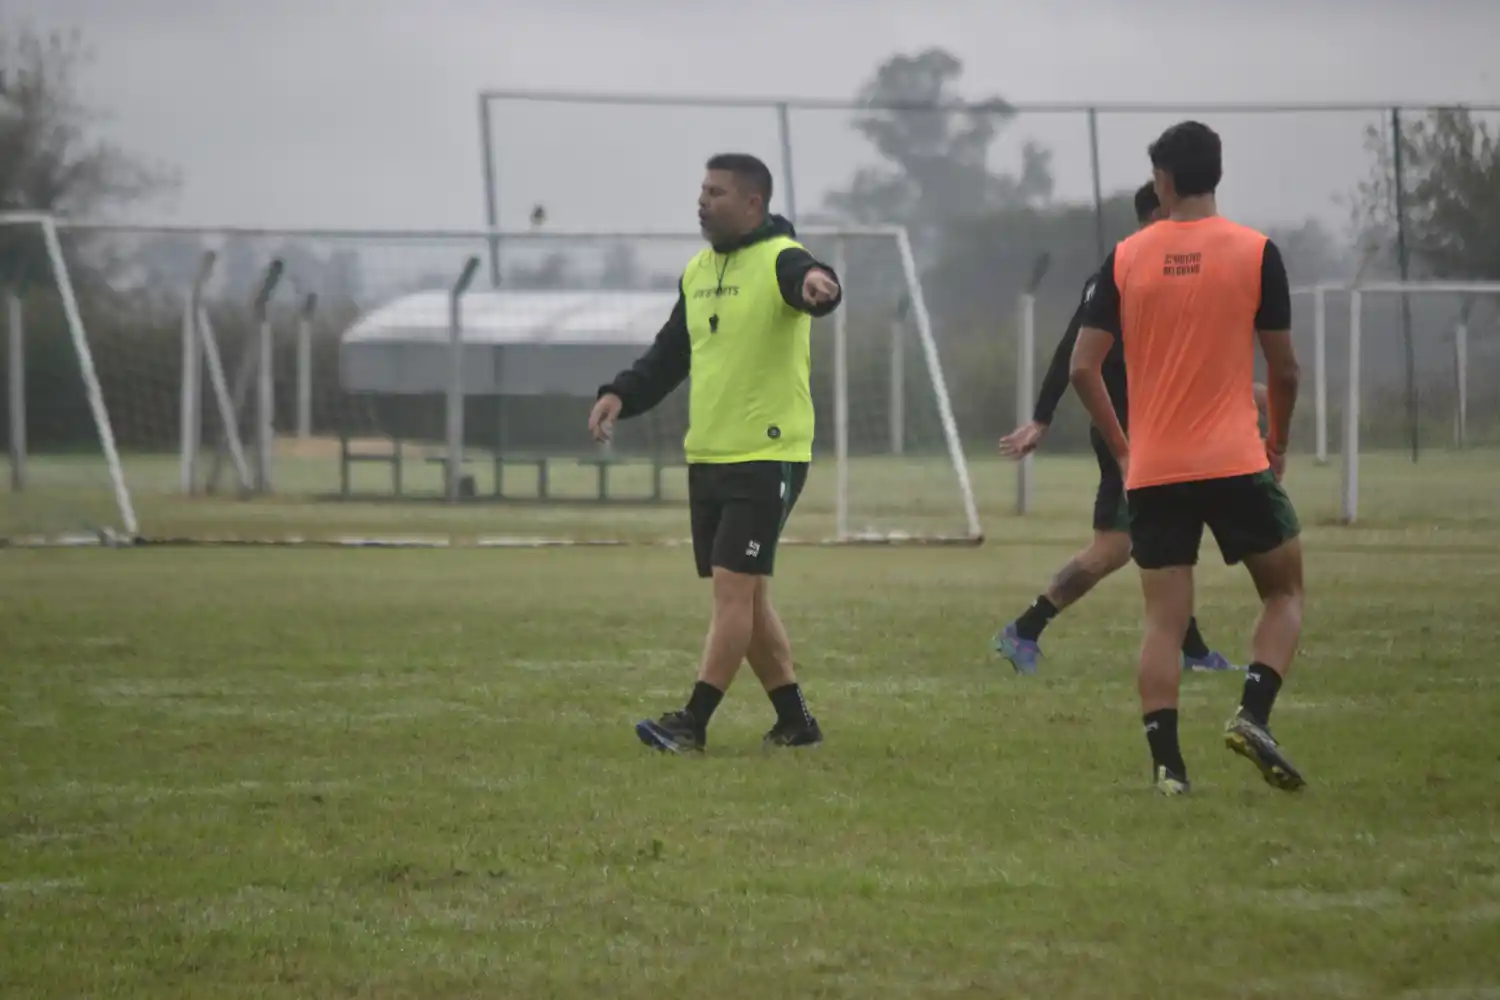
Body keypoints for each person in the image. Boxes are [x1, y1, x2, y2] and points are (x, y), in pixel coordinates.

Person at [1069, 121, 1306, 796]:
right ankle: (1252, 714)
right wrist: (1278, 442)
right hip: (1235, 459)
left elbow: (1086, 368)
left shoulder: (1127, 257)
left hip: (1156, 468)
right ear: (1217, 174)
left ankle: (1168, 771)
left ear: (1162, 180)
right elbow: (1285, 371)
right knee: (1285, 591)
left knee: (1163, 621)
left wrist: (1122, 445)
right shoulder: (1256, 251)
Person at [589, 152, 843, 754]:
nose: (703, 201)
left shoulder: (781, 257)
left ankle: (693, 722)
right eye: (702, 190)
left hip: (767, 453)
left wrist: (818, 288)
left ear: (753, 204)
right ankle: (796, 721)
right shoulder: (699, 271)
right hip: (709, 454)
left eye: (718, 192)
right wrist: (620, 393)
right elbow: (671, 353)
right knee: (748, 597)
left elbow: (807, 276)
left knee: (733, 589)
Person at [993, 181, 1242, 677]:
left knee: (1152, 542)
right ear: (1160, 213)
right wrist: (1043, 418)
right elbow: (1073, 350)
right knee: (1119, 547)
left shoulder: (1156, 272)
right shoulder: (1127, 271)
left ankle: (1190, 651)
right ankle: (1025, 629)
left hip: (1154, 431)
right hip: (1129, 434)